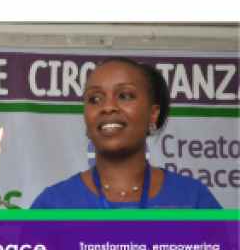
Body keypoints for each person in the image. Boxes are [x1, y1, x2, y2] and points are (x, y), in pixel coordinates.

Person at [30, 57, 222, 209]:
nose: (108, 107)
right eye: (95, 99)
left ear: (153, 114)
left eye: (124, 95)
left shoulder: (193, 198)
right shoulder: (53, 205)